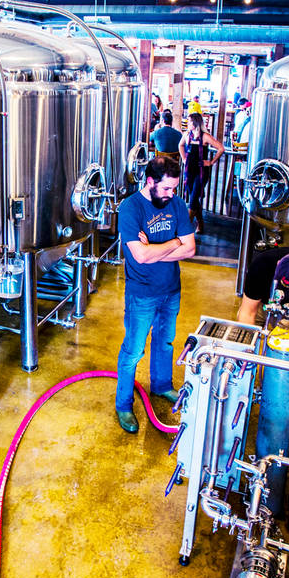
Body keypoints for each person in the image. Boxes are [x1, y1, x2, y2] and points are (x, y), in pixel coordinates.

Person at [114, 155, 196, 433]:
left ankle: (161, 386)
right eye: (166, 188)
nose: (171, 194)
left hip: (171, 289)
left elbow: (190, 249)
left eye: (174, 189)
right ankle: (123, 404)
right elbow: (139, 256)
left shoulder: (177, 204)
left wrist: (157, 249)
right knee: (133, 349)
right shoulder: (130, 208)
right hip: (142, 295)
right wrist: (174, 243)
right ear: (150, 181)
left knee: (165, 343)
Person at [178, 111, 224, 233]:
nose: (187, 124)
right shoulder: (187, 135)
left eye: (189, 122)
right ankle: (201, 224)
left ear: (196, 123)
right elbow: (180, 145)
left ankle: (183, 231)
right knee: (194, 199)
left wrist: (211, 162)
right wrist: (183, 158)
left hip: (201, 171)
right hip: (189, 171)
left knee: (193, 200)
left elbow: (221, 148)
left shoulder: (205, 136)